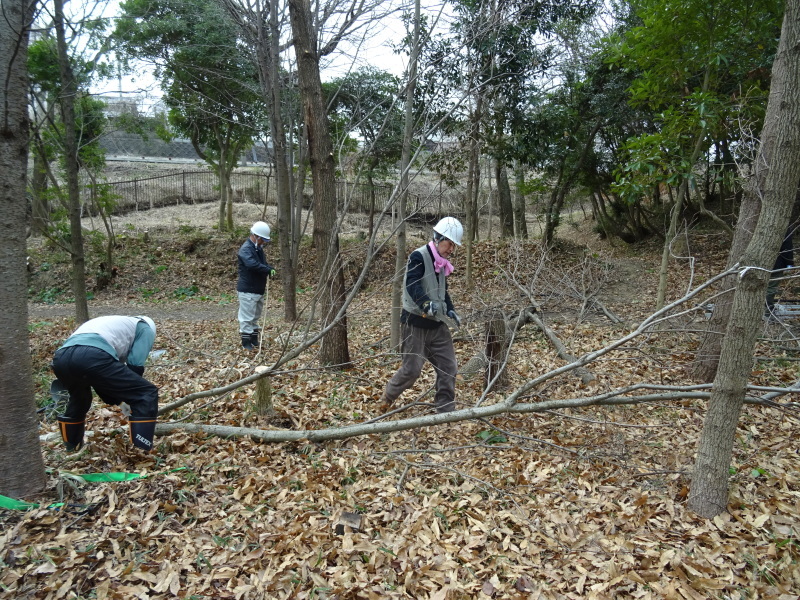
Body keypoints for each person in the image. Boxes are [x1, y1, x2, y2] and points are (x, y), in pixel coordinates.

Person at [381, 217, 464, 414]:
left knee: (448, 367)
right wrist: (425, 304)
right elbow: (412, 284)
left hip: (437, 325)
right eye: (450, 243)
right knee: (412, 370)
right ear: (438, 238)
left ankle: (445, 407)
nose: (452, 249)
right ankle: (387, 397)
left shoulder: (442, 262)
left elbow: (442, 290)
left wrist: (450, 309)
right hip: (415, 323)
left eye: (454, 245)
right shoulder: (418, 256)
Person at [52, 315, 159, 452]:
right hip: (92, 354)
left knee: (80, 399)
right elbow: (135, 366)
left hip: (61, 358)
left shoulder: (117, 324)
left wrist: (120, 402)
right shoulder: (145, 328)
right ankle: (141, 451)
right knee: (146, 393)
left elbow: (104, 382)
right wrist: (131, 399)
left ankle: (72, 448)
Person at [237, 221, 277, 350]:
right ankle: (246, 343)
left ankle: (254, 340)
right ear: (256, 236)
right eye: (262, 240)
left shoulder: (258, 249)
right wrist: (266, 270)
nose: (263, 242)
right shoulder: (245, 249)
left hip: (258, 289)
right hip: (248, 289)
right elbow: (251, 264)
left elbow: (262, 263)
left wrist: (268, 267)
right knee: (247, 317)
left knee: (255, 316)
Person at [766, 226, 795, 317]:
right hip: (776, 264)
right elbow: (787, 247)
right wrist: (789, 263)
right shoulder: (784, 226)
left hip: (756, 263)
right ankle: (766, 312)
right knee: (770, 288)